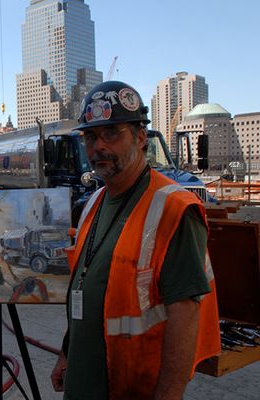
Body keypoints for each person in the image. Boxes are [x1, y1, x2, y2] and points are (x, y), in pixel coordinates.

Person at [50, 81, 221, 399]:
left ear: (141, 137)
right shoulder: (93, 204)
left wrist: (169, 395)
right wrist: (67, 352)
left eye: (112, 133)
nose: (98, 146)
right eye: (91, 137)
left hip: (132, 385)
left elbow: (184, 316)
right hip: (84, 382)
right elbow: (86, 288)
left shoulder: (173, 208)